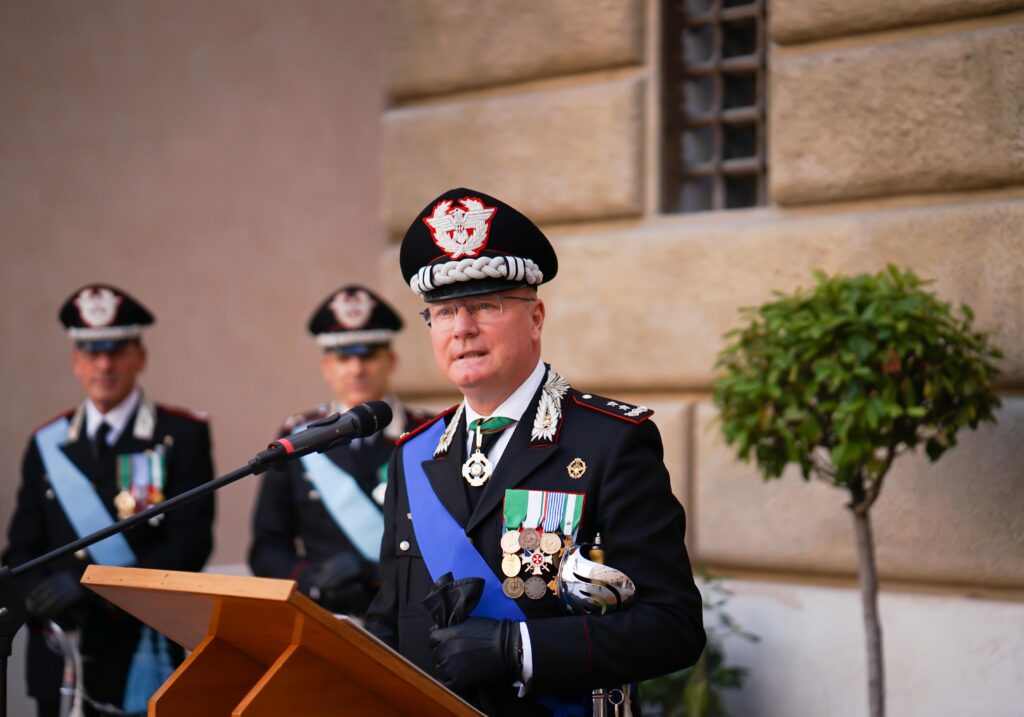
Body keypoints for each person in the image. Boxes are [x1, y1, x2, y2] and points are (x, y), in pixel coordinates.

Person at [364, 189, 706, 715]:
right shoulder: (412, 455)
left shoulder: (610, 442)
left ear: (536, 318)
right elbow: (389, 624)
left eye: (485, 304)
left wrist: (519, 650)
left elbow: (673, 626)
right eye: (444, 311)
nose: (462, 328)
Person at [3, 284, 215, 717]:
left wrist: (88, 588)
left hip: (141, 653)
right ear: (75, 361)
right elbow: (22, 546)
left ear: (141, 356)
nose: (104, 364)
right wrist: (37, 597)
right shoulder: (47, 443)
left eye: (117, 351)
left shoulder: (181, 436)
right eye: (92, 352)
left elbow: (189, 545)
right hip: (62, 652)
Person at [248, 285, 430, 616]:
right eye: (344, 357)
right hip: (325, 618)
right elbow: (267, 548)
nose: (357, 369)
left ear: (391, 360)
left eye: (368, 355)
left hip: (408, 616)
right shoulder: (296, 438)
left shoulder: (428, 434)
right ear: (326, 366)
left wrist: (380, 574)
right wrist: (314, 581)